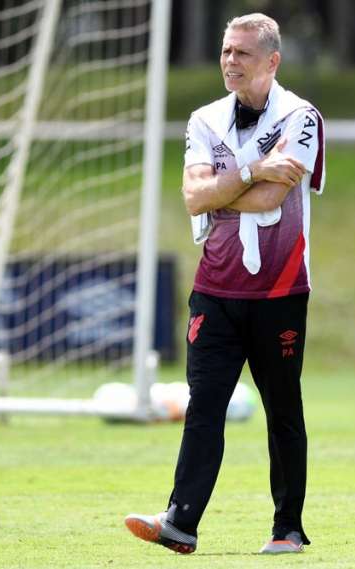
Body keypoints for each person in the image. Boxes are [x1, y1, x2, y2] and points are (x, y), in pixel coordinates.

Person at [124, 13, 324, 555]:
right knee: (203, 406)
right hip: (214, 287)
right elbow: (193, 197)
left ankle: (288, 528)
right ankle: (180, 523)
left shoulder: (302, 117)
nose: (230, 61)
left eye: (243, 53)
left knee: (283, 407)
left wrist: (228, 186)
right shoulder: (204, 118)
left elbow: (266, 203)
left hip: (279, 291)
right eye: (226, 51)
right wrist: (258, 169)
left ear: (272, 61)